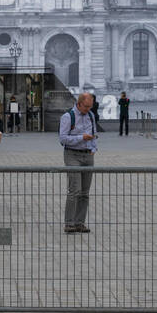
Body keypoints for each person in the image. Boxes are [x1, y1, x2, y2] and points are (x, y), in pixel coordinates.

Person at [59, 93, 98, 233]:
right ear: (79, 103)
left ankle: (80, 223)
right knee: (74, 190)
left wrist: (94, 147)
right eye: (86, 106)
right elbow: (62, 139)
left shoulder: (91, 116)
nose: (88, 109)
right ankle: (69, 224)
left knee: (84, 192)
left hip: (88, 156)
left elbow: (94, 133)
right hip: (72, 155)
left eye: (90, 106)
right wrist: (81, 138)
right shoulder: (68, 117)